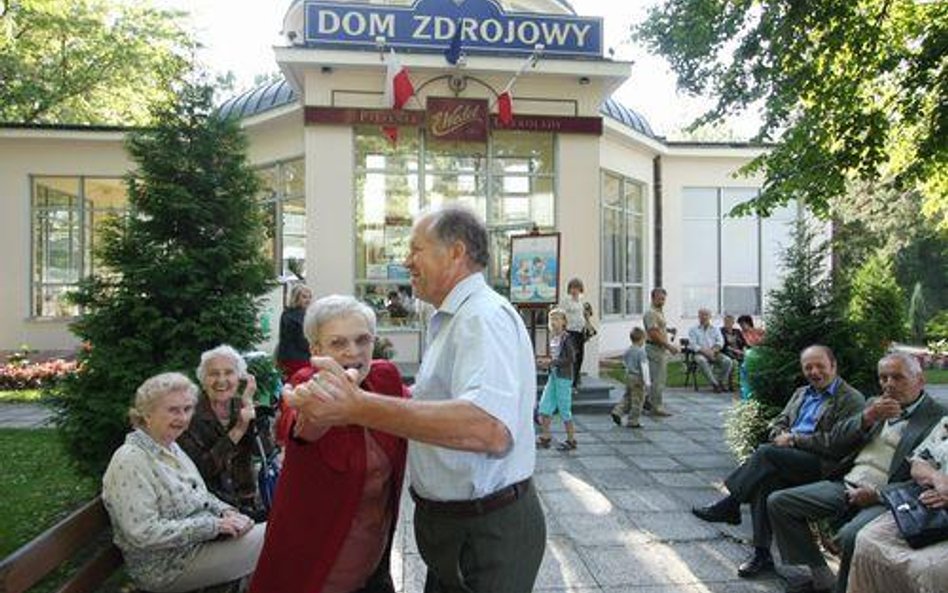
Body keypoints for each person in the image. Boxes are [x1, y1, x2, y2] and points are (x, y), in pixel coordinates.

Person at [286, 205, 546, 593]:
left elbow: (489, 428)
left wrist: (358, 407)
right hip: (461, 531)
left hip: (484, 534)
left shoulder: (481, 318)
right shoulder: (455, 317)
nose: (406, 260)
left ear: (456, 252)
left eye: (416, 249)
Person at [250, 295, 408, 593]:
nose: (354, 352)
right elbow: (298, 422)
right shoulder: (307, 384)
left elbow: (414, 411)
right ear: (315, 350)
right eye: (338, 343)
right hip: (315, 568)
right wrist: (311, 413)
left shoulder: (384, 377)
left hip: (376, 567)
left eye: (363, 340)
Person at [768, 352, 946, 593]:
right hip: (848, 481)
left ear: (919, 380)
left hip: (888, 495)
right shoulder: (874, 403)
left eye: (897, 377)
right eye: (883, 378)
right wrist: (867, 417)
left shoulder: (937, 416)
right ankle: (821, 577)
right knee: (780, 502)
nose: (889, 385)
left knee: (853, 536)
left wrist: (879, 495)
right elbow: (837, 441)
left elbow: (926, 475)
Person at [692, 345, 865, 579]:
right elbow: (779, 422)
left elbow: (838, 443)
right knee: (766, 480)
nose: (814, 372)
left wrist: (794, 439)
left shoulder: (850, 399)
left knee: (766, 454)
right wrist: (779, 434)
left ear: (833, 366)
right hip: (790, 458)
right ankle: (761, 555)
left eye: (820, 366)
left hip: (824, 464)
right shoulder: (802, 393)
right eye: (808, 367)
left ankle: (731, 504)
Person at [102, 372, 265, 593]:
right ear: (147, 414)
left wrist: (227, 512)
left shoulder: (170, 446)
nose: (183, 418)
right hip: (168, 568)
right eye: (173, 410)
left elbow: (201, 495)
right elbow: (142, 532)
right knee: (278, 539)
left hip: (199, 547)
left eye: (187, 409)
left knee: (279, 536)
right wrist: (214, 526)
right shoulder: (130, 460)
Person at [847, 414, 948, 593]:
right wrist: (937, 478)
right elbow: (918, 462)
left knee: (927, 570)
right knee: (867, 539)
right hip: (932, 505)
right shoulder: (946, 423)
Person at [179, 344, 271, 521]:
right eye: (213, 374)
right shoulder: (188, 416)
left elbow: (266, 453)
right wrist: (238, 429)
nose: (221, 380)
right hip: (210, 510)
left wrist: (251, 412)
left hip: (248, 504)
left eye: (229, 373)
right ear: (203, 380)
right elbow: (202, 471)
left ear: (239, 378)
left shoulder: (244, 406)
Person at [536, 308, 578, 450]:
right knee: (544, 406)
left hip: (564, 378)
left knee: (564, 409)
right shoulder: (553, 337)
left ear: (564, 322)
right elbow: (555, 358)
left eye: (557, 319)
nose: (554, 322)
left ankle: (571, 440)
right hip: (553, 376)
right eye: (551, 319)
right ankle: (546, 436)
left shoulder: (567, 338)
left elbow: (571, 358)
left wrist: (551, 363)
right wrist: (545, 362)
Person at [643, 287, 679, 416]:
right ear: (653, 298)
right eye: (659, 299)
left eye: (663, 299)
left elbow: (658, 328)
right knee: (658, 380)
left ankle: (649, 402)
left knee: (659, 379)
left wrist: (668, 330)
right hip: (655, 348)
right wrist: (669, 346)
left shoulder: (658, 312)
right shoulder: (651, 313)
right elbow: (653, 333)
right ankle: (656, 407)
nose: (662, 301)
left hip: (659, 348)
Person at [687, 308, 735, 392]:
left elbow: (720, 342)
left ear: (710, 316)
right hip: (700, 353)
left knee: (728, 361)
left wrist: (713, 351)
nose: (704, 317)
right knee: (701, 360)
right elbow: (693, 345)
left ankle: (720, 381)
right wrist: (706, 353)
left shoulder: (715, 329)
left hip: (715, 352)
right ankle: (715, 384)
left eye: (706, 315)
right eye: (702, 315)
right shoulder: (693, 329)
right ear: (698, 316)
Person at [611, 327, 650, 428]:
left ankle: (617, 411)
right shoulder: (641, 352)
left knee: (627, 397)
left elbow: (624, 363)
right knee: (638, 400)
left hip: (628, 376)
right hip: (637, 378)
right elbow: (644, 367)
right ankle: (633, 420)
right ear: (641, 339)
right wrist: (647, 382)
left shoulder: (628, 350)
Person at [276, 283, 312, 380]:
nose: (308, 300)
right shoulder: (301, 316)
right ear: (296, 298)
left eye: (309, 297)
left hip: (285, 357)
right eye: (304, 297)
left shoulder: (286, 313)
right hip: (300, 359)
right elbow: (302, 340)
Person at [561, 277, 592, 388]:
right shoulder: (566, 301)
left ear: (580, 289)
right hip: (570, 331)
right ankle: (570, 379)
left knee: (580, 356)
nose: (574, 290)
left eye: (577, 288)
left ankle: (576, 379)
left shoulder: (582, 301)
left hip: (580, 331)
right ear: (569, 289)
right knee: (572, 355)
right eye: (572, 288)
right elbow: (562, 315)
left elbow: (586, 315)